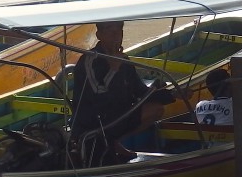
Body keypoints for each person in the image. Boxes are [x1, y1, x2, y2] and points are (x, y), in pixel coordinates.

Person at [70, 20, 175, 163]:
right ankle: (109, 141)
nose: (115, 34)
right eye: (109, 30)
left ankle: (113, 141)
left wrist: (173, 95)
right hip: (93, 121)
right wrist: (113, 69)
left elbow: (141, 92)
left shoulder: (124, 60)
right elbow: (98, 98)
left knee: (155, 109)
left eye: (119, 29)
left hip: (116, 115)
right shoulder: (89, 60)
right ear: (99, 35)